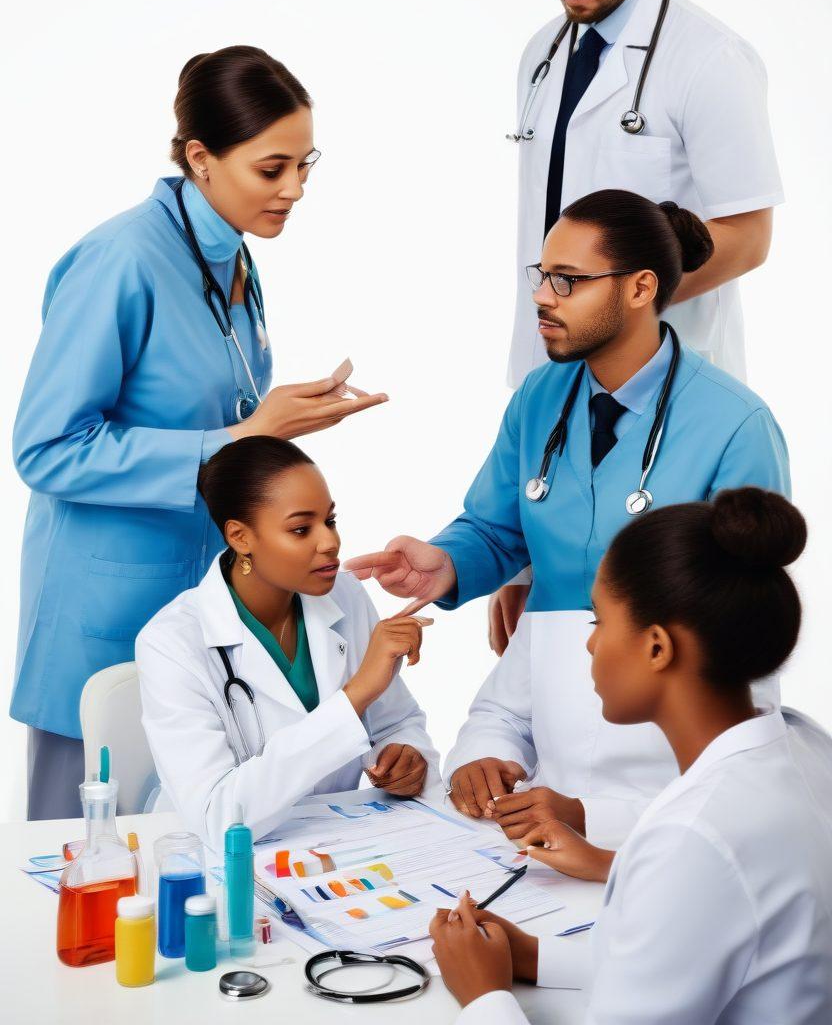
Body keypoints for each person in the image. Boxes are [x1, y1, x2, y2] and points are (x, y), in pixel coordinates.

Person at [345, 190, 789, 847]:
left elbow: (748, 638)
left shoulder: (735, 426)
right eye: (541, 275)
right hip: (557, 764)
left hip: (675, 780)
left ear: (641, 288)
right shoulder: (539, 398)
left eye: (569, 281)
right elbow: (498, 528)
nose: (543, 297)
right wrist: (447, 561)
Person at [13, 45, 388, 820]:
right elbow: (44, 447)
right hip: (106, 610)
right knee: (80, 859)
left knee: (204, 847)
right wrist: (242, 434)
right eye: (272, 168)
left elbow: (220, 416)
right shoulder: (121, 260)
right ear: (199, 157)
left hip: (202, 606)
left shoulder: (231, 256)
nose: (295, 189)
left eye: (306, 164)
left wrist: (278, 426)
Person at [429, 488, 832, 1025]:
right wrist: (535, 956)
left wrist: (484, 996)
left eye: (597, 621)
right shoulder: (804, 748)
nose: (589, 646)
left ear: (658, 648)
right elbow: (693, 945)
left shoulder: (691, 837)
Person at [508, 0, 782, 388]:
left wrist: (613, 312)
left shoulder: (711, 60)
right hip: (548, 369)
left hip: (663, 370)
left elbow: (749, 237)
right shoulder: (542, 53)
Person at [136, 436, 438, 853]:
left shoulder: (345, 595)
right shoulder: (171, 643)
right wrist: (356, 695)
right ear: (241, 537)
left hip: (337, 843)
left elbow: (396, 723)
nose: (329, 542)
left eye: (330, 521)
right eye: (301, 529)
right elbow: (219, 817)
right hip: (216, 862)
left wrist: (405, 757)